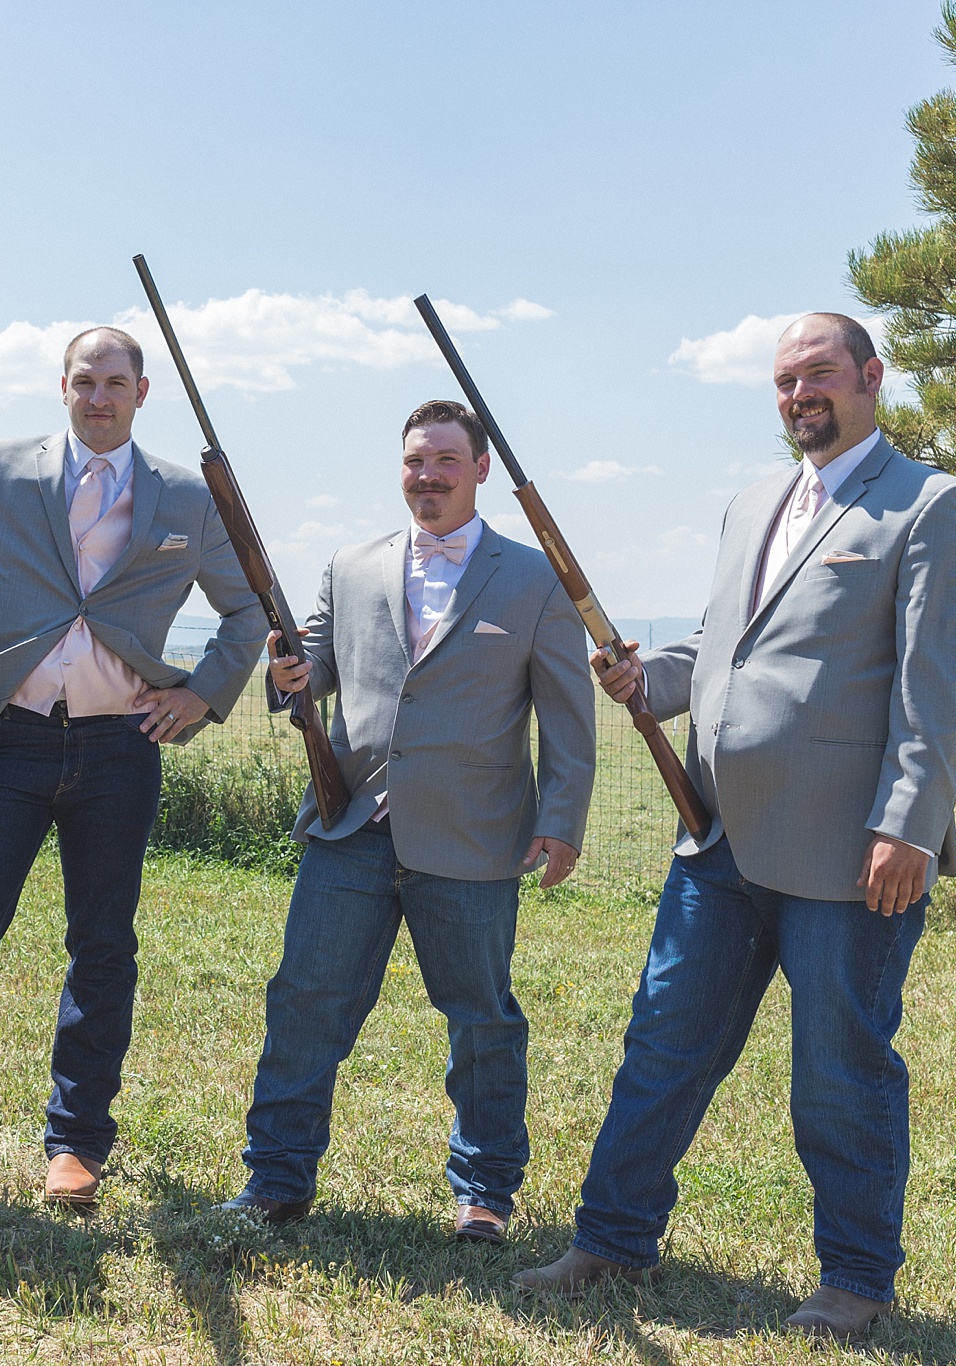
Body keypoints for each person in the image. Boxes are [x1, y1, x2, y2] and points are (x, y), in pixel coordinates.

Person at [514, 315, 956, 1339]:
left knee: (838, 1070)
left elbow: (938, 688)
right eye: (783, 381)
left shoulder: (931, 506)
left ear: (869, 378)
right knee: (660, 1046)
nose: (797, 395)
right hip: (717, 843)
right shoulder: (751, 503)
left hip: (846, 858)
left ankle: (855, 1281)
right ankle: (608, 1239)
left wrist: (907, 825)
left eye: (817, 374)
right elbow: (719, 646)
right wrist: (651, 679)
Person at [0, 327, 265, 1211]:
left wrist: (201, 696)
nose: (99, 396)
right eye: (85, 381)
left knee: (103, 950)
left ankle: (77, 1147)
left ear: (141, 393)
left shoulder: (186, 499)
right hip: (1, 742)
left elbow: (247, 615)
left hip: (122, 748)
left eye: (116, 383)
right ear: (62, 386)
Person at [221, 399, 595, 1244]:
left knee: (481, 1022)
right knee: (304, 1005)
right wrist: (290, 671)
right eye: (414, 462)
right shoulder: (350, 566)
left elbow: (569, 718)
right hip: (351, 828)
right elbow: (313, 668)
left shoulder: (536, 579)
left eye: (445, 463)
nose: (426, 477)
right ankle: (276, 1182)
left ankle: (484, 1196)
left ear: (480, 469)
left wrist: (562, 820)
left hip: (473, 838)